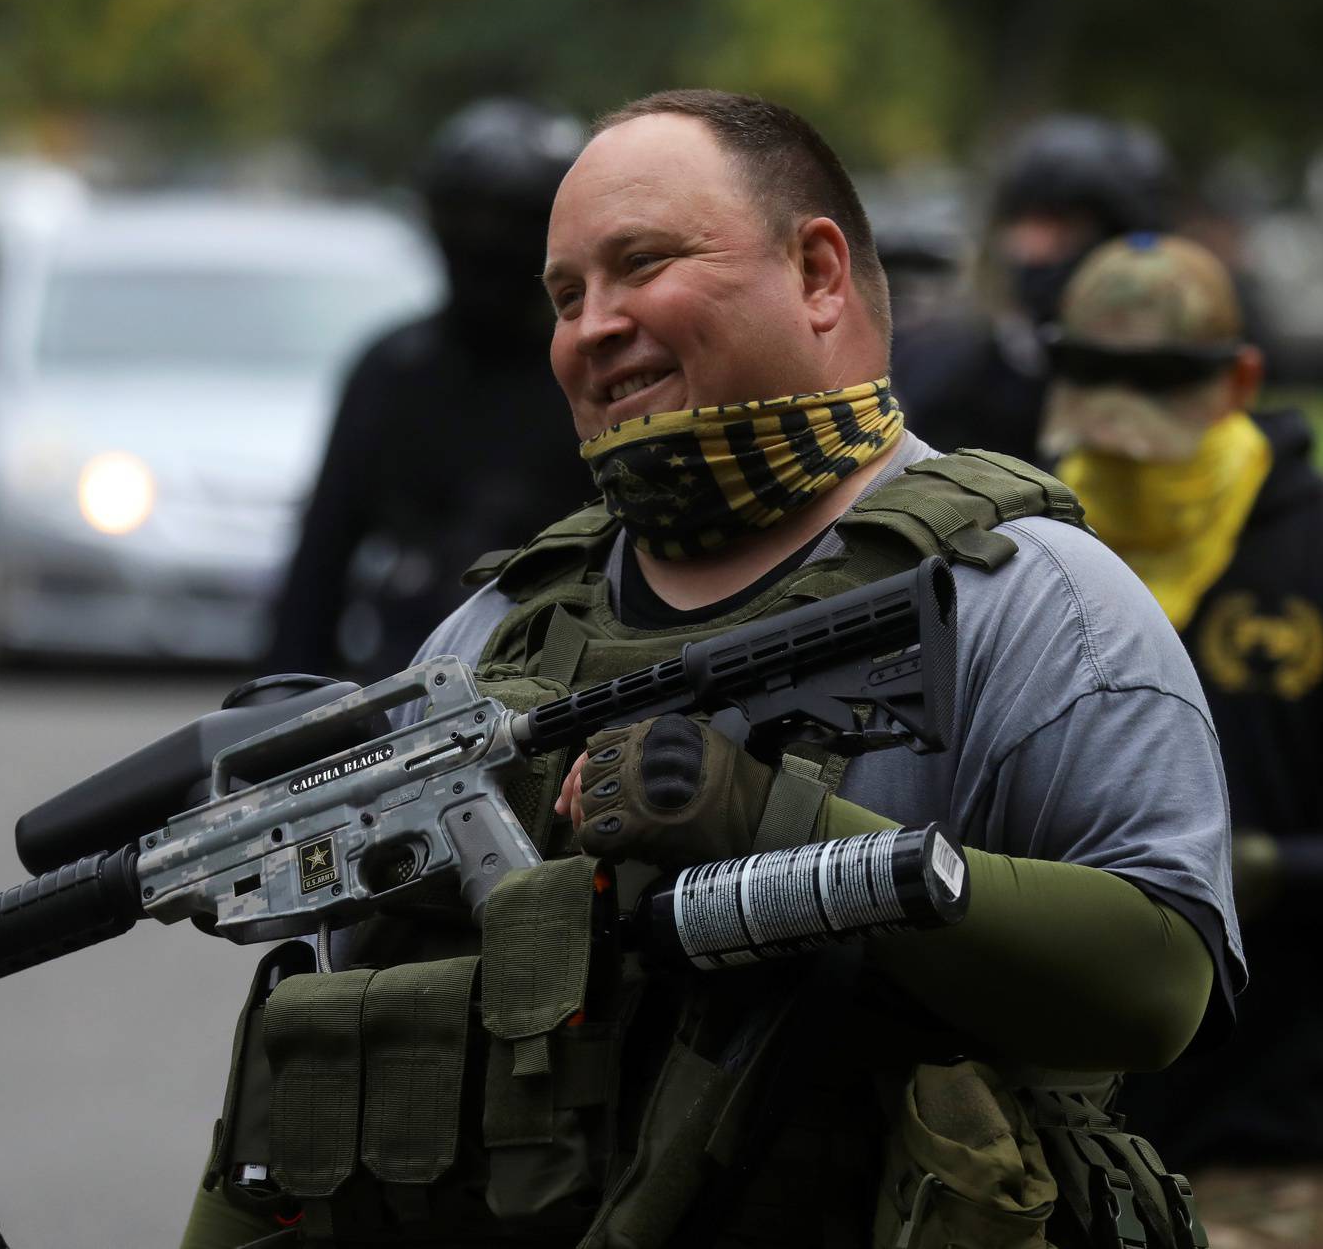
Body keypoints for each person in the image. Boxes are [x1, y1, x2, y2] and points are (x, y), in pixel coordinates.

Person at [184, 91, 1243, 1249]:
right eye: (567, 295)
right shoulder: (491, 636)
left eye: (642, 265)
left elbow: (1159, 978)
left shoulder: (1030, 601)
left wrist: (769, 821)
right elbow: (332, 1059)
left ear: (820, 275)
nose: (594, 326)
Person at [1035, 233, 1323, 1248]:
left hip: (1265, 1161)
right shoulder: (1033, 549)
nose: (1116, 411)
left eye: (1156, 379)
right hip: (1043, 1151)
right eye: (1088, 371)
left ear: (1238, 378)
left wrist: (1256, 873)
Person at [259, 98, 596, 680]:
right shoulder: (394, 370)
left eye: (511, 223)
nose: (488, 244)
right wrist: (290, 704)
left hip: (567, 676)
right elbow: (321, 557)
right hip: (405, 677)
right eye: (470, 221)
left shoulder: (595, 363)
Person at [891, 114, 1176, 464]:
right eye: (1024, 224)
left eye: (1062, 227)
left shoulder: (1180, 377)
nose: (1033, 250)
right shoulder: (954, 377)